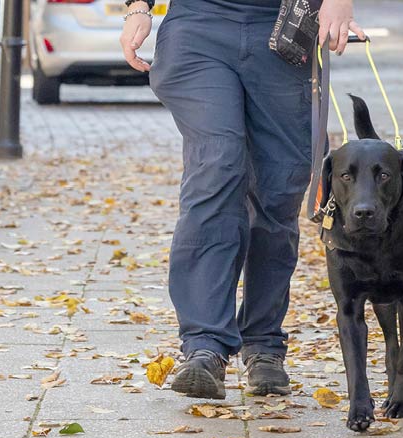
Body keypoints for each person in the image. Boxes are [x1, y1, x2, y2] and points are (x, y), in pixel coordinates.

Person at [119, 0, 364, 399]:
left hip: (281, 32)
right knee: (218, 165)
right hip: (199, 28)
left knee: (279, 188)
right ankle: (205, 346)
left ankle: (264, 344)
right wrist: (137, 7)